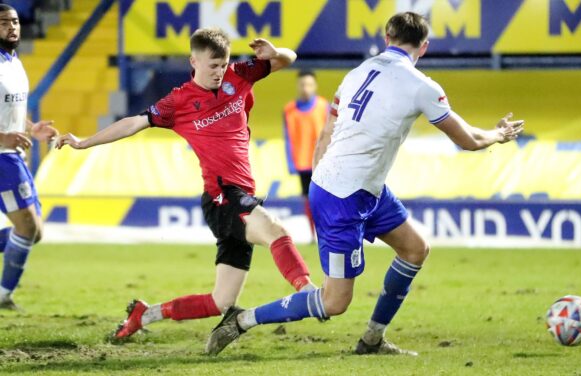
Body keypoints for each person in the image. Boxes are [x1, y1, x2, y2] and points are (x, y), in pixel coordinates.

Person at [205, 12, 524, 356]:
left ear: (387, 37)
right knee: (334, 301)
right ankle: (241, 320)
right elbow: (470, 140)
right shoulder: (422, 86)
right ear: (424, 47)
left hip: (357, 187)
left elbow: (326, 132)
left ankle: (372, 339)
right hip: (344, 196)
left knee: (415, 249)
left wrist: (319, 182)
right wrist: (500, 134)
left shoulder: (357, 73)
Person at [56, 28, 316, 339]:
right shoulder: (178, 101)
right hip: (222, 196)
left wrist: (274, 53)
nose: (219, 72)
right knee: (276, 230)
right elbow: (133, 123)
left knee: (221, 301)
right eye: (212, 66)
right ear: (194, 61)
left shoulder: (239, 75)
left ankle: (146, 314)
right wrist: (84, 142)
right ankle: (308, 292)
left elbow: (289, 59)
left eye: (223, 65)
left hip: (239, 194)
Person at [0, 4, 58, 310]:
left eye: (15, 21)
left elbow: (11, 111)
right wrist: (3, 138)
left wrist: (31, 127)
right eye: (5, 22)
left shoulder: (14, 62)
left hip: (13, 155)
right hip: (1, 157)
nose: (12, 27)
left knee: (35, 233)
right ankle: (3, 296)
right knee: (27, 228)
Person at [283, 70, 328, 241]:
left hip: (322, 162)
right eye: (302, 84)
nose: (305, 88)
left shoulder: (324, 107)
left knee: (324, 201)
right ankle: (313, 235)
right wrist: (290, 163)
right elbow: (287, 137)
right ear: (297, 86)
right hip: (303, 163)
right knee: (309, 202)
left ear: (315, 86)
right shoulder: (289, 110)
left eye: (309, 84)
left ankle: (326, 233)